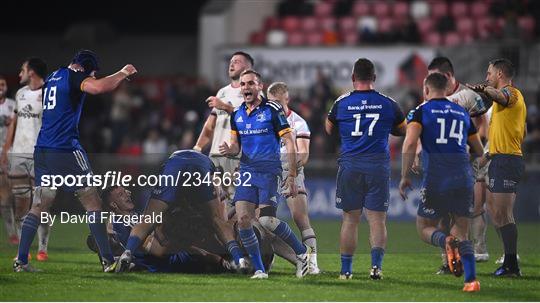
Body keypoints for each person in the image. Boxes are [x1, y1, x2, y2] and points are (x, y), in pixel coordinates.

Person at [13, 50, 137, 272]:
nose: (92, 77)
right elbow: (99, 88)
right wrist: (122, 73)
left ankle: (21, 260)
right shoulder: (74, 76)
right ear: (84, 68)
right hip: (66, 149)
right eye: (92, 73)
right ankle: (108, 261)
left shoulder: (52, 77)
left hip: (43, 149)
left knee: (39, 205)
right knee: (93, 203)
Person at [219, 69, 311, 279]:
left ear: (259, 86)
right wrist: (229, 150)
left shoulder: (272, 109)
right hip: (247, 173)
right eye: (243, 84)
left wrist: (291, 175)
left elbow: (288, 141)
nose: (246, 88)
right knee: (243, 219)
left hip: (269, 172)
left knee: (268, 222)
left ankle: (302, 253)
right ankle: (260, 270)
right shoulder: (237, 114)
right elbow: (236, 146)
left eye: (251, 84)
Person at [400, 72, 484, 292]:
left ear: (426, 90)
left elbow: (409, 144)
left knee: (424, 227)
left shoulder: (421, 111)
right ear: (448, 90)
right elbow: (479, 150)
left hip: (436, 178)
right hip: (463, 178)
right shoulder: (462, 112)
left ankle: (444, 241)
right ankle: (471, 281)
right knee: (463, 230)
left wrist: (405, 176)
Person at [325, 58, 406, 280]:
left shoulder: (342, 102)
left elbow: (329, 127)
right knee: (378, 220)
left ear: (353, 78)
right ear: (374, 78)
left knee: (350, 220)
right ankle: (376, 268)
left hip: (350, 164)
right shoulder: (388, 103)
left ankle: (346, 270)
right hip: (378, 165)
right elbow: (402, 129)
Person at [114, 150, 246, 273]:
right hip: (200, 166)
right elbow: (219, 219)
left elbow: (160, 229)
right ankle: (239, 259)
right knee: (217, 221)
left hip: (174, 164)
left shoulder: (177, 205)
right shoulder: (212, 178)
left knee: (149, 219)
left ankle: (127, 253)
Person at [418, 57, 492, 274]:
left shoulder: (467, 96)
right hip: (451, 167)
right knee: (446, 219)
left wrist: (470, 150)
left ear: (448, 77)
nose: (428, 80)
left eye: (433, 76)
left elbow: (483, 126)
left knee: (469, 213)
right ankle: (454, 264)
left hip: (467, 162)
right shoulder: (431, 102)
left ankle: (477, 249)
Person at [93, 185, 274, 274]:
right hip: (166, 258)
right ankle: (231, 263)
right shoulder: (118, 226)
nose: (127, 193)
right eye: (121, 194)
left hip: (174, 247)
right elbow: (155, 249)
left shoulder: (139, 215)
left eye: (126, 191)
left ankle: (246, 257)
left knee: (215, 223)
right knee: (200, 233)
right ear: (113, 204)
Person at [467, 58, 526, 277]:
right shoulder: (501, 105)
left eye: (489, 73)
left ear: (500, 74)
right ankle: (509, 262)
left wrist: (487, 90)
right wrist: (488, 155)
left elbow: (501, 95)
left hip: (507, 160)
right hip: (498, 158)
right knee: (497, 213)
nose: (486, 77)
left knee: (503, 213)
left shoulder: (512, 94)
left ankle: (512, 265)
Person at [267, 82, 320, 274]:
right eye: (272, 102)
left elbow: (304, 153)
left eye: (279, 102)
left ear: (287, 99)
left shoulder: (298, 123)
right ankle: (271, 257)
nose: (276, 107)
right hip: (268, 172)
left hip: (292, 170)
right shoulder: (266, 120)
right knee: (265, 220)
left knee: (300, 217)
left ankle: (312, 262)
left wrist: (292, 170)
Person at [1, 58, 51, 261]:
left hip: (40, 155)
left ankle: (43, 248)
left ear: (31, 72)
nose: (19, 73)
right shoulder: (20, 94)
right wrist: (6, 150)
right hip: (18, 155)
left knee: (41, 204)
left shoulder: (48, 93)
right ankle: (24, 250)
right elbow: (14, 123)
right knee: (21, 204)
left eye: (22, 69)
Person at [193, 52, 254, 217]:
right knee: (217, 202)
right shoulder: (222, 92)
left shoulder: (252, 92)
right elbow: (210, 124)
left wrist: (226, 107)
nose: (231, 64)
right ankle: (225, 240)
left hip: (237, 156)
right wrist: (198, 147)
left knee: (239, 205)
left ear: (247, 67)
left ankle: (245, 238)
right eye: (231, 61)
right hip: (216, 155)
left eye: (237, 61)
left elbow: (252, 121)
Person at [0, 75, 17, 245]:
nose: (1, 87)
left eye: (3, 84)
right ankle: (12, 233)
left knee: (12, 195)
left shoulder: (13, 105)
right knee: (4, 197)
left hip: (10, 153)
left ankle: (16, 232)